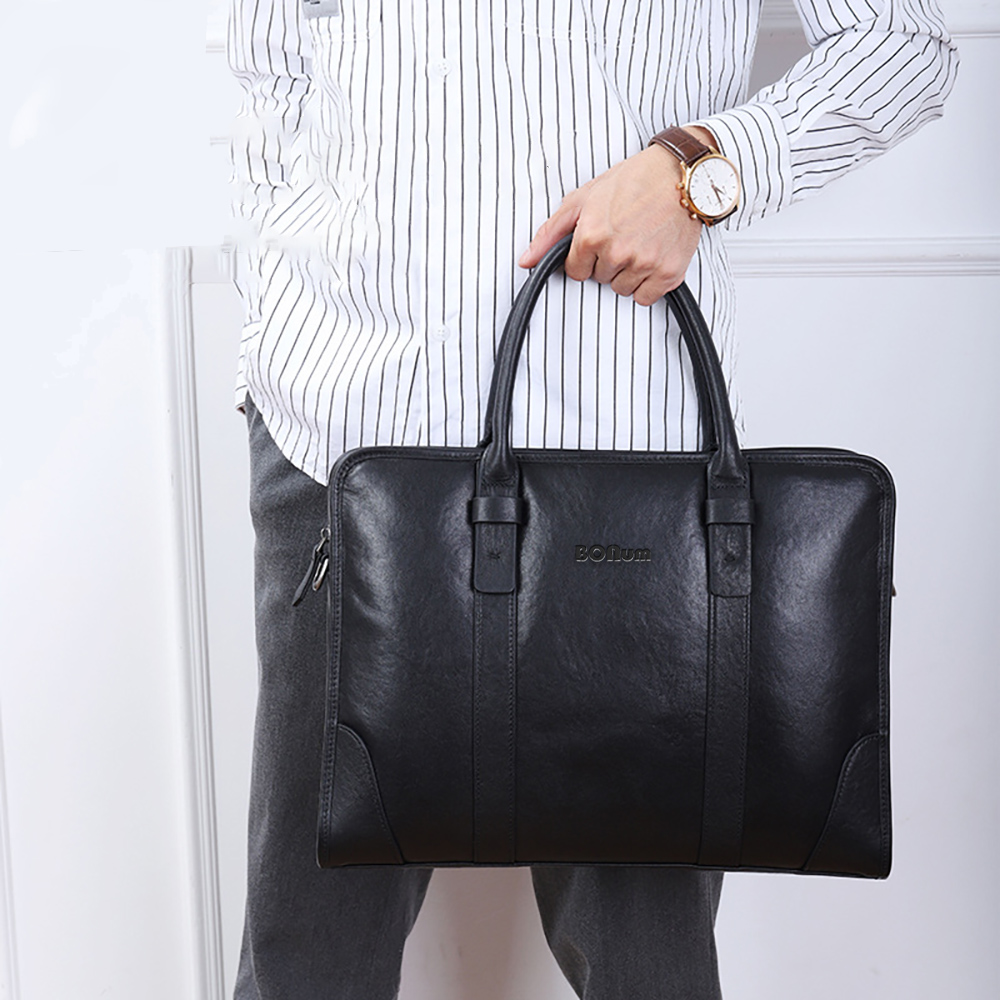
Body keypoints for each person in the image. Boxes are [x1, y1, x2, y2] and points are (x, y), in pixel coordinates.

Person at [226, 1, 957, 997]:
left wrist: (698, 172)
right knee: (306, 957)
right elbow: (273, 66)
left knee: (644, 963)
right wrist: (269, 338)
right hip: (337, 430)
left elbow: (901, 46)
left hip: (628, 459)